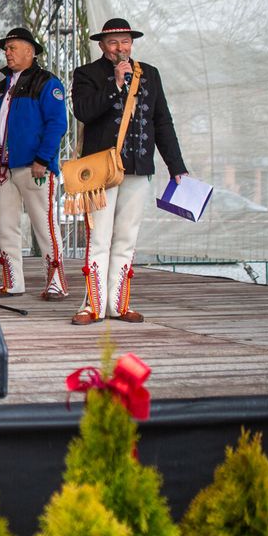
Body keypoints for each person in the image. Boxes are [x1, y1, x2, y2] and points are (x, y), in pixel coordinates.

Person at [70, 18, 187, 325]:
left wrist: (177, 167)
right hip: (100, 170)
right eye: (113, 42)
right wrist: (116, 84)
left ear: (131, 43)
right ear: (102, 45)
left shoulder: (150, 74)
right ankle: (92, 306)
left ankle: (118, 304)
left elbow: (162, 122)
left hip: (138, 166)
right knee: (99, 238)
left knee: (127, 238)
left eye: (125, 42)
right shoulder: (87, 74)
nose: (120, 48)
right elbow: (83, 111)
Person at [0, 27, 69, 301]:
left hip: (34, 166)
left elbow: (57, 123)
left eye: (12, 47)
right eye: (6, 48)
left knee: (44, 224)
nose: (7, 52)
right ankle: (13, 281)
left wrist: (43, 158)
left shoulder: (46, 82)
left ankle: (56, 281)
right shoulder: (1, 87)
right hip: (2, 168)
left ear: (30, 51)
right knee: (6, 224)